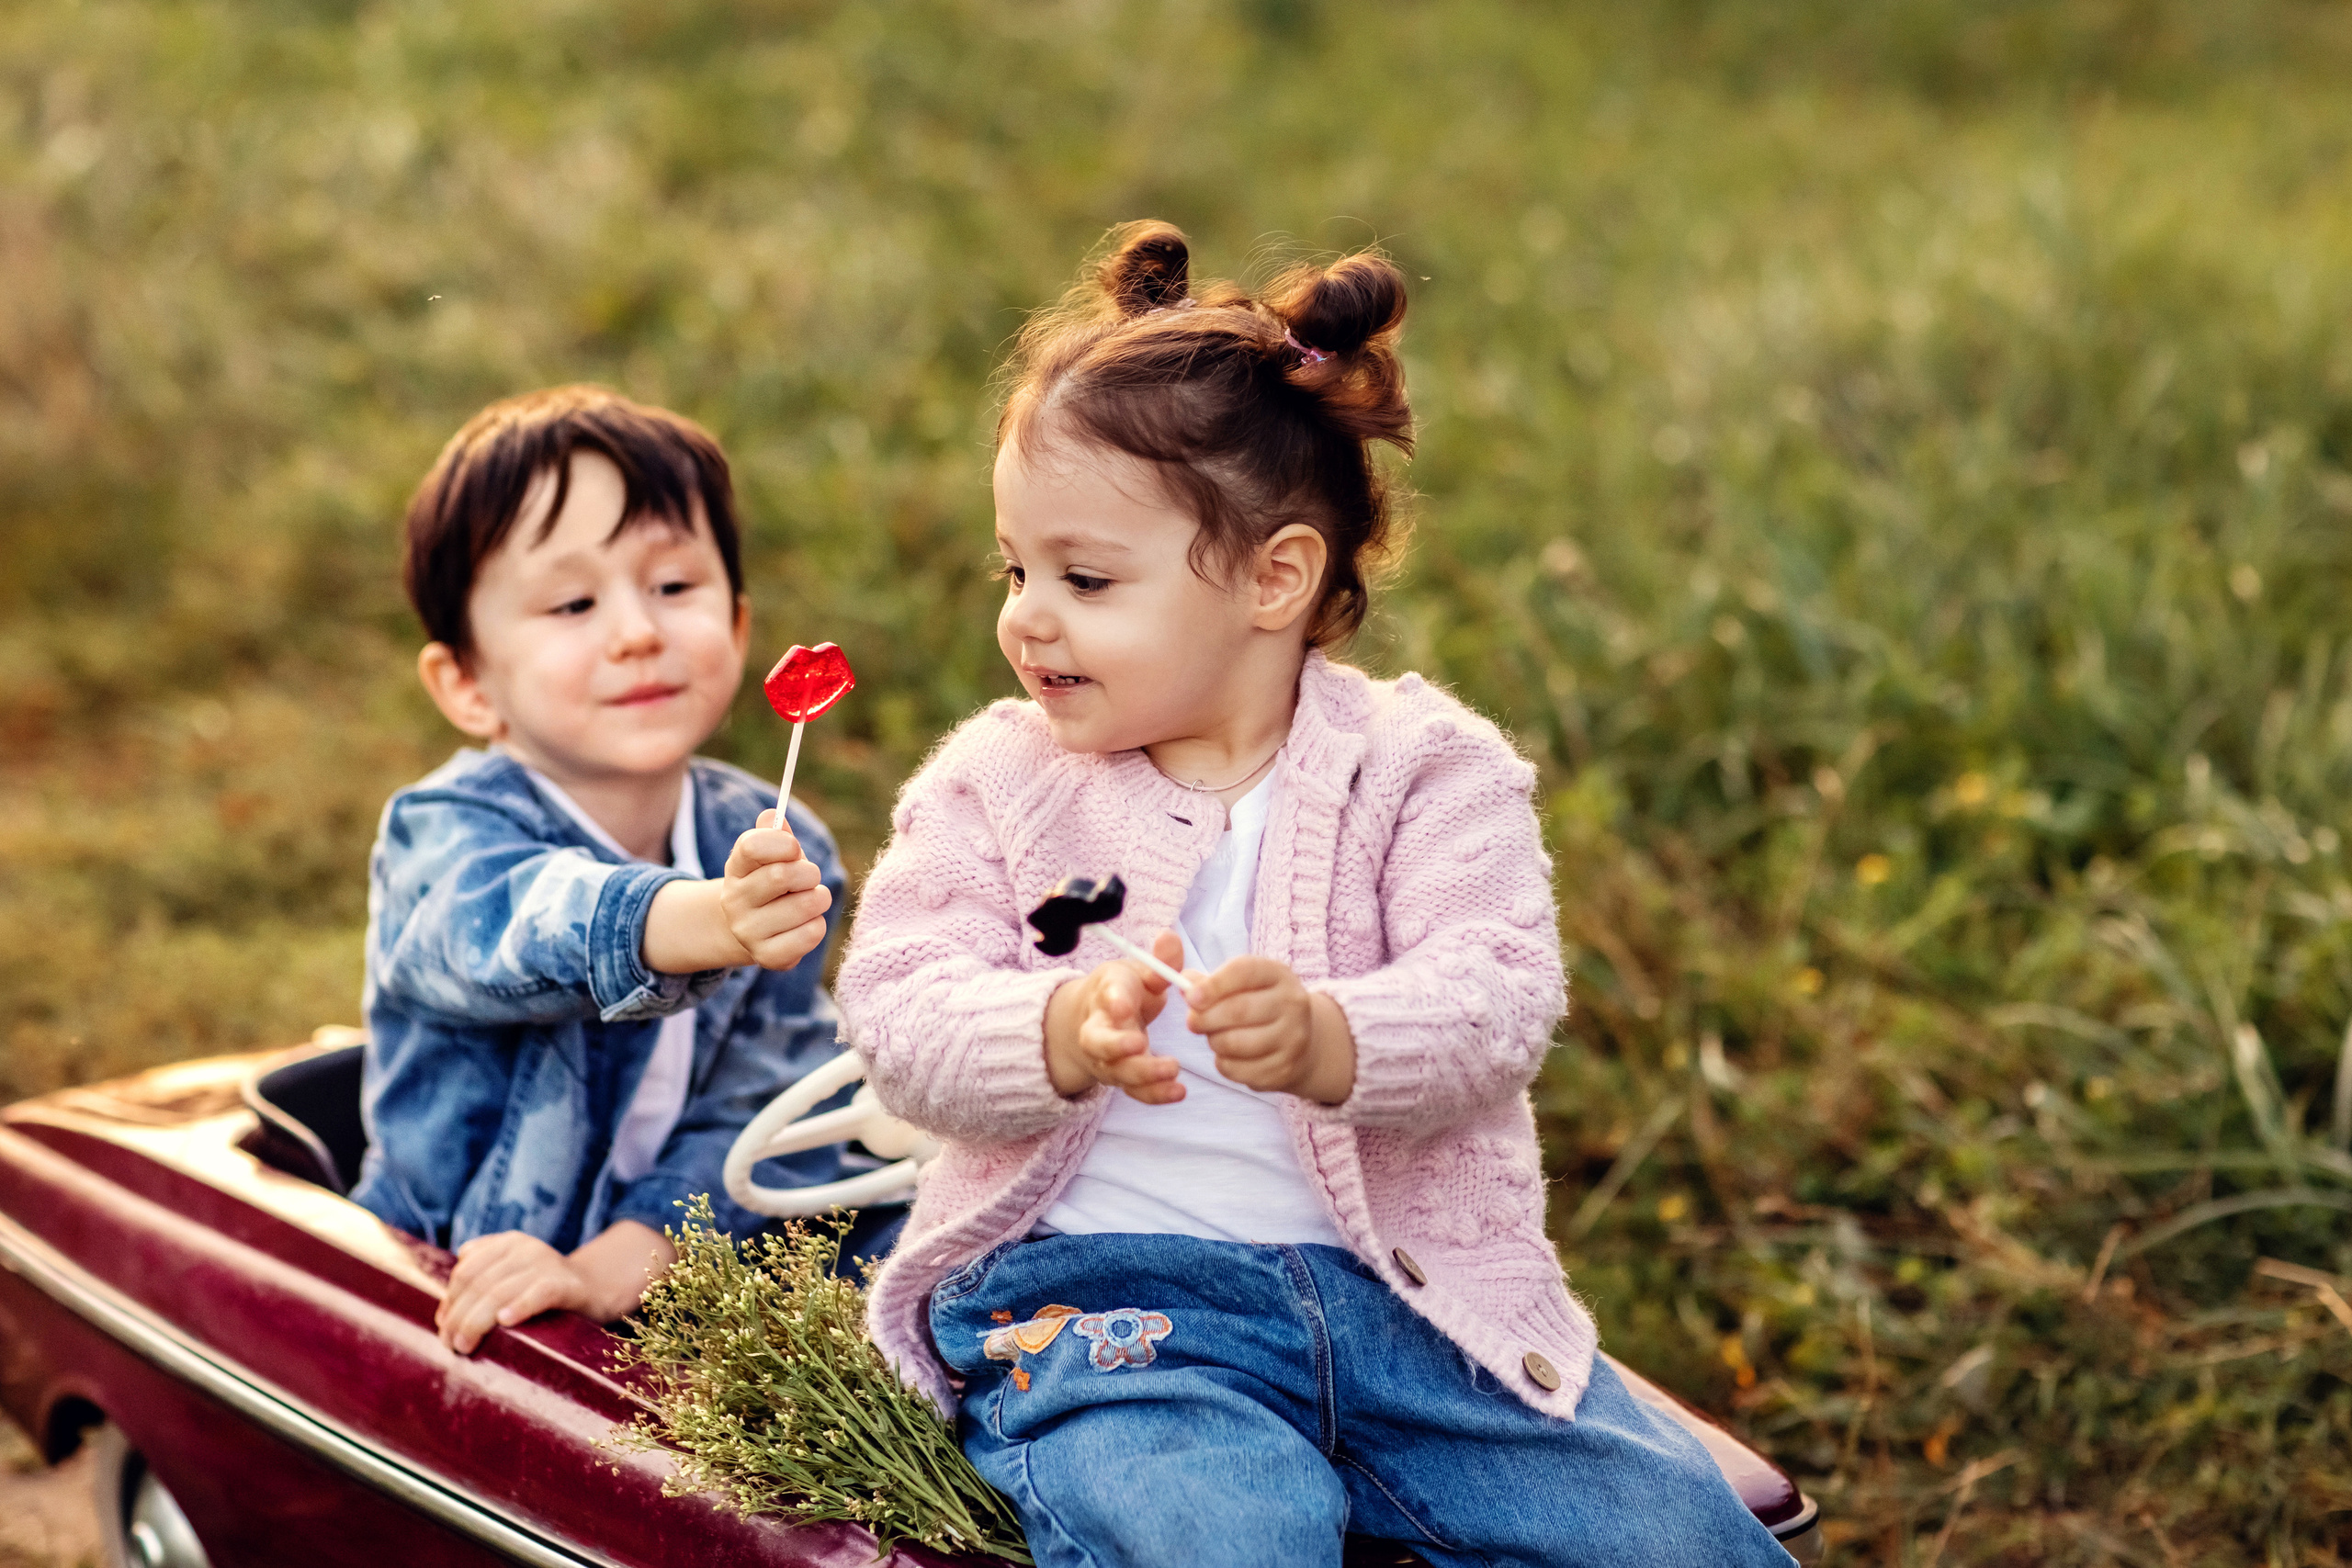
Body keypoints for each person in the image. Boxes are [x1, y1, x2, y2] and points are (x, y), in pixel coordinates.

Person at [835, 225, 1792, 1566]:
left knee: (1672, 1537)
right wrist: (1051, 1031)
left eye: (1087, 578)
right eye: (1016, 569)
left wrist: (1338, 1036)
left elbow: (1500, 994)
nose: (1028, 617)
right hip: (1115, 1306)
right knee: (1222, 1529)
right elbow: (896, 998)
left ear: (1276, 577)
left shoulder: (1426, 770)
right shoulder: (998, 779)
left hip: (1412, 1306)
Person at [354, 385, 848, 1354]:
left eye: (674, 588)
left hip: (641, 1279)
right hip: (445, 1283)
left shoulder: (776, 842)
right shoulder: (444, 834)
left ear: (740, 626)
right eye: (573, 602)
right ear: (465, 683)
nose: (637, 631)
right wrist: (695, 920)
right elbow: (513, 927)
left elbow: (760, 1103)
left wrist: (617, 1265)